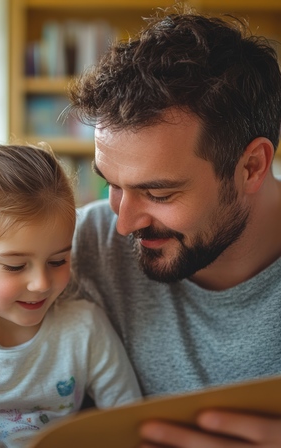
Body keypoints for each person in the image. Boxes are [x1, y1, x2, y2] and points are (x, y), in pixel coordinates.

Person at [66, 3, 281, 447]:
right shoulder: (74, 248)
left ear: (252, 167)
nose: (122, 224)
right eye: (112, 185)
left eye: (159, 194)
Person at [0, 142, 141, 448]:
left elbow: (130, 422)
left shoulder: (85, 329)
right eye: (16, 266)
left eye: (58, 261)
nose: (41, 283)